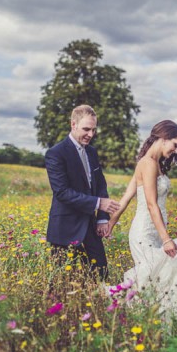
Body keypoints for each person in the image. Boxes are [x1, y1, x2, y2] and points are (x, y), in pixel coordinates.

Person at [106, 120, 177, 319]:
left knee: (155, 279)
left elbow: (127, 197)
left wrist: (111, 222)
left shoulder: (151, 163)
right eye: (175, 145)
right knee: (150, 277)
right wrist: (166, 239)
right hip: (144, 232)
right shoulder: (148, 163)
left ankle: (148, 321)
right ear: (163, 139)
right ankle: (124, 310)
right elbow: (151, 204)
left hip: (154, 231)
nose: (176, 150)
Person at [44, 104, 120, 281]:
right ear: (73, 125)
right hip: (64, 228)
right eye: (86, 129)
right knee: (62, 280)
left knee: (100, 273)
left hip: (90, 225)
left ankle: (98, 307)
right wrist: (98, 203)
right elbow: (62, 192)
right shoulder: (55, 153)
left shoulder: (92, 152)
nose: (91, 135)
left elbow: (100, 185)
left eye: (94, 130)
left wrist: (102, 218)